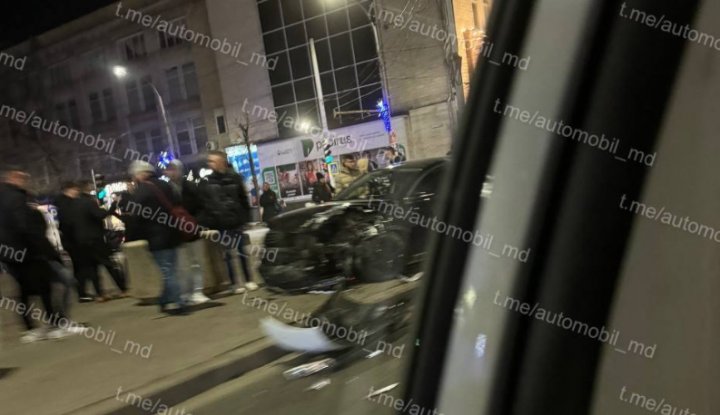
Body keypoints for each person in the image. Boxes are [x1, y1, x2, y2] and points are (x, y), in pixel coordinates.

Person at [0, 167, 80, 342]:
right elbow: (27, 227)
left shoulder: (5, 198)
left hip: (10, 254)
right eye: (22, 179)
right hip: (29, 252)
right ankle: (57, 323)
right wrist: (47, 252)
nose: (24, 182)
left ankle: (31, 329)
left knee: (25, 290)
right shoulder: (17, 199)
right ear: (15, 178)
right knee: (54, 283)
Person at [125, 161, 188, 314]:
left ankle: (178, 303)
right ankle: (164, 300)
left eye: (134, 175)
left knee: (167, 272)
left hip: (156, 237)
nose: (134, 178)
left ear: (141, 174)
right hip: (173, 233)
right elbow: (178, 202)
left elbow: (135, 217)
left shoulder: (142, 191)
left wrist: (131, 236)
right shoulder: (165, 185)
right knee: (171, 269)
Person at [197, 150, 257, 294]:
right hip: (222, 223)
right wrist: (213, 220)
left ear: (221, 162)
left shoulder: (235, 178)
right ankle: (234, 284)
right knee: (229, 255)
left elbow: (243, 199)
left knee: (242, 252)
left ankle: (249, 280)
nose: (210, 164)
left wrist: (246, 218)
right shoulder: (208, 181)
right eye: (209, 161)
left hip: (236, 221)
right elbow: (207, 204)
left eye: (213, 161)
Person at [72, 180, 127, 302]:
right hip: (95, 239)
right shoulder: (88, 202)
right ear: (87, 188)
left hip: (82, 241)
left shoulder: (74, 204)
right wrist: (113, 206)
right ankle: (123, 288)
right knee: (109, 264)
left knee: (93, 268)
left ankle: (100, 294)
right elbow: (100, 215)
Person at [164, 160, 210, 306]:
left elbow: (201, 206)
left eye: (173, 169)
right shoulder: (166, 189)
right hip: (177, 232)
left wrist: (197, 223)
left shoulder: (190, 186)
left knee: (196, 263)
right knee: (182, 266)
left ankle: (197, 292)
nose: (171, 172)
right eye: (168, 169)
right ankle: (185, 294)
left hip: (192, 231)